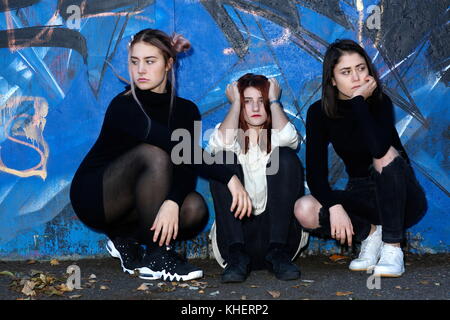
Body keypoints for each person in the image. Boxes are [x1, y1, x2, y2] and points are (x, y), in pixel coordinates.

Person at [69, 29, 251, 282]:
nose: (140, 70)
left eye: (150, 61)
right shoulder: (124, 106)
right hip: (97, 194)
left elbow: (185, 165)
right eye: (135, 62)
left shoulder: (186, 111)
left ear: (168, 64)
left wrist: (173, 201)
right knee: (154, 154)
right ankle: (157, 257)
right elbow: (174, 146)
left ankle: (127, 240)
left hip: (137, 199)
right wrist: (230, 178)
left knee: (194, 208)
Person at [295, 39, 427, 277]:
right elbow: (315, 175)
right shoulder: (319, 112)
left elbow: (378, 149)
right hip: (362, 195)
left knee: (385, 155)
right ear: (333, 80)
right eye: (346, 72)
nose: (356, 77)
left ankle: (392, 248)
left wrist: (358, 102)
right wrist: (334, 206)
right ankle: (371, 234)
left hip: (402, 197)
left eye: (361, 68)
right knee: (304, 208)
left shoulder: (379, 102)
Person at [207, 73, 307, 283]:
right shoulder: (232, 139)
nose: (254, 108)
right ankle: (236, 253)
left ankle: (278, 251)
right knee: (221, 159)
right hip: (238, 238)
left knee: (285, 157)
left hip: (279, 238)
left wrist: (274, 101)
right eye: (247, 102)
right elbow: (216, 146)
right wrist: (234, 104)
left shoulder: (277, 135)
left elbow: (290, 138)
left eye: (261, 101)